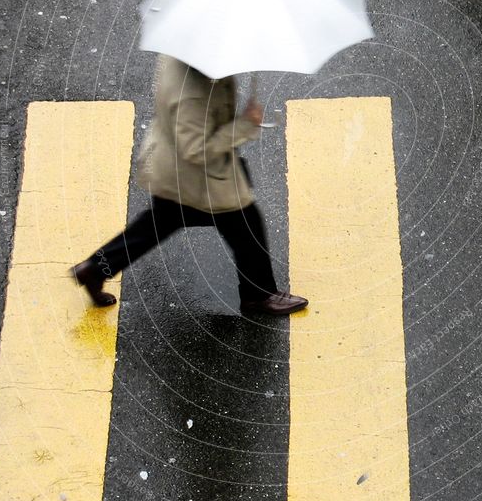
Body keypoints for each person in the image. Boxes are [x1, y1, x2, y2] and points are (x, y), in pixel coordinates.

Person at [71, 53, 309, 316]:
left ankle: (95, 268)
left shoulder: (182, 56)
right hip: (194, 177)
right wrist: (244, 125)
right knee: (244, 221)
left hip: (173, 167)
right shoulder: (193, 93)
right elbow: (196, 148)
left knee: (157, 225)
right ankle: (258, 295)